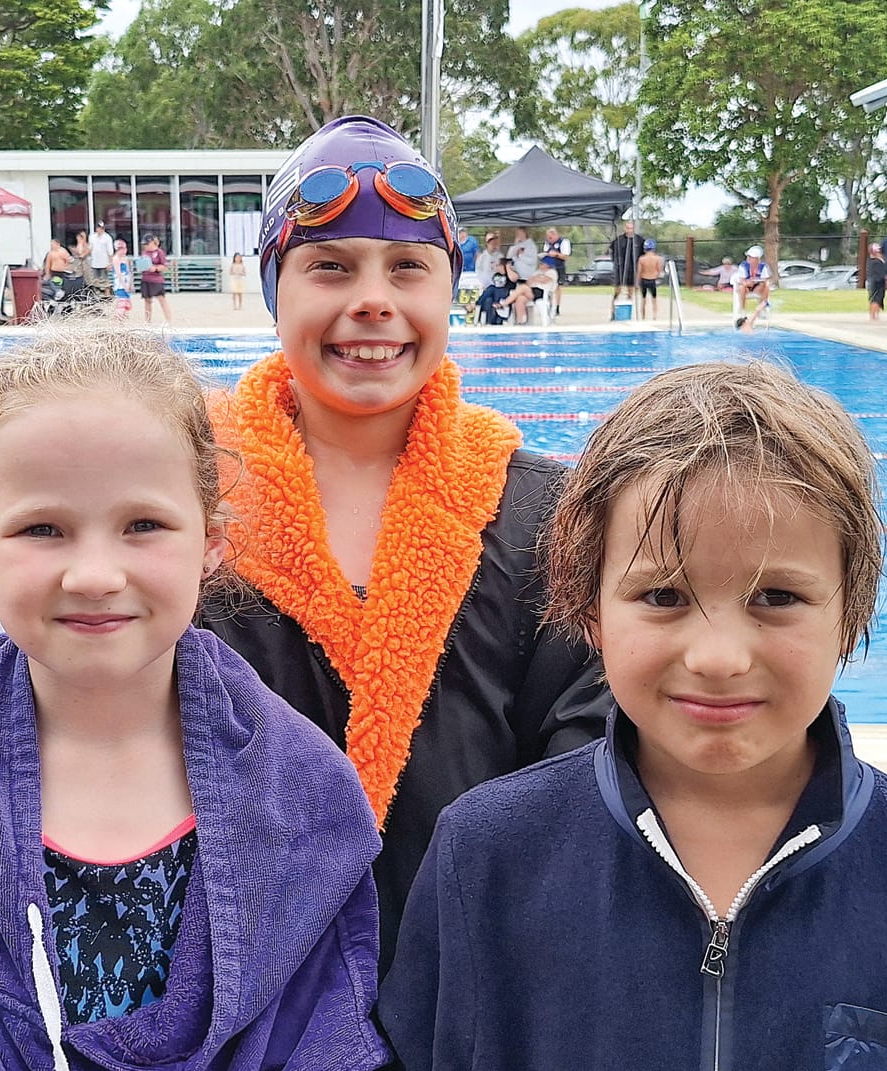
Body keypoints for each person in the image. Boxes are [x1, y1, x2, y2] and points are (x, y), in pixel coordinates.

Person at [380, 360, 887, 1071]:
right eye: (664, 596)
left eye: (776, 597)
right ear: (590, 610)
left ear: (850, 613)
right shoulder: (485, 858)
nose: (718, 657)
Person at [0, 326, 390, 1071]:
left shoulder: (304, 789)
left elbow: (327, 1036)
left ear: (212, 538)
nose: (94, 575)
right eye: (43, 529)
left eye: (143, 525)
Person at [200, 115, 605, 969]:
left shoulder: (545, 512)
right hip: (251, 975)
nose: (372, 299)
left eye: (407, 267)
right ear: (274, 289)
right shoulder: (191, 500)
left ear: (449, 289)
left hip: (471, 967)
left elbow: (586, 748)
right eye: (329, 266)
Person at [732, 244, 773, 330]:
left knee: (766, 285)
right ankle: (742, 310)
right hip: (746, 287)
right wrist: (747, 283)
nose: (749, 259)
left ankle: (763, 305)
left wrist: (757, 281)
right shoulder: (743, 266)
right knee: (742, 287)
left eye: (751, 258)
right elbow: (741, 280)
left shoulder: (763, 267)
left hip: (758, 287)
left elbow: (765, 279)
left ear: (757, 259)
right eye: (749, 257)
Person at [609, 217, 645, 313]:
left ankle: (628, 310)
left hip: (633, 269)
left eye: (631, 228)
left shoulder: (639, 240)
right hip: (621, 268)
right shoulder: (619, 240)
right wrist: (617, 263)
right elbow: (613, 253)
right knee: (618, 290)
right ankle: (613, 310)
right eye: (628, 228)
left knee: (631, 291)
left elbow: (643, 255)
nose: (629, 230)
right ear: (624, 229)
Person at [139, 233, 172, 325]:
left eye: (147, 244)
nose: (145, 246)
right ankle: (147, 321)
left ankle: (168, 320)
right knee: (147, 300)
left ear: (153, 243)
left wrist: (155, 268)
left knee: (161, 299)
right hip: (146, 278)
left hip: (156, 279)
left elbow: (165, 266)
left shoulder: (159, 252)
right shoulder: (144, 253)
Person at [540, 226, 569, 311]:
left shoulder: (563, 242)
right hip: (549, 267)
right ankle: (549, 304)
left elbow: (566, 256)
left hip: (559, 266)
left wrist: (556, 254)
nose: (549, 239)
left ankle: (557, 307)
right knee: (547, 286)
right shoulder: (547, 243)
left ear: (555, 235)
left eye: (550, 237)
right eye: (548, 238)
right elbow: (546, 252)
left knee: (557, 287)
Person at [636, 238, 664, 320]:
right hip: (653, 280)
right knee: (654, 299)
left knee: (643, 299)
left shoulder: (641, 259)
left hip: (644, 280)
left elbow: (639, 272)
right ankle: (654, 316)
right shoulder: (658, 259)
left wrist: (637, 283)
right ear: (654, 248)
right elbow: (659, 271)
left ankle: (643, 317)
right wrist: (657, 277)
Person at [88, 220, 114, 291]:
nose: (99, 229)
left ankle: (107, 293)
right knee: (95, 280)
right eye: (98, 228)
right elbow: (90, 248)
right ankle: (96, 292)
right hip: (94, 262)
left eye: (101, 228)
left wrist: (110, 263)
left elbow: (110, 252)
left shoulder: (107, 238)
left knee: (105, 280)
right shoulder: (92, 237)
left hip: (104, 263)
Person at [111, 237, 134, 319]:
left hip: (126, 281)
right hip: (120, 284)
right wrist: (124, 285)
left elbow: (129, 272)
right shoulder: (116, 259)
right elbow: (118, 274)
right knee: (121, 302)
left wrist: (130, 284)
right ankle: (118, 318)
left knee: (127, 302)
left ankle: (122, 318)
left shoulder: (125, 259)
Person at [865, 242, 887, 321]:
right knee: (875, 299)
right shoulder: (875, 262)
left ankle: (875, 314)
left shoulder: (875, 260)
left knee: (877, 298)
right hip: (876, 282)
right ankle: (873, 315)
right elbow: (879, 274)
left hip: (877, 281)